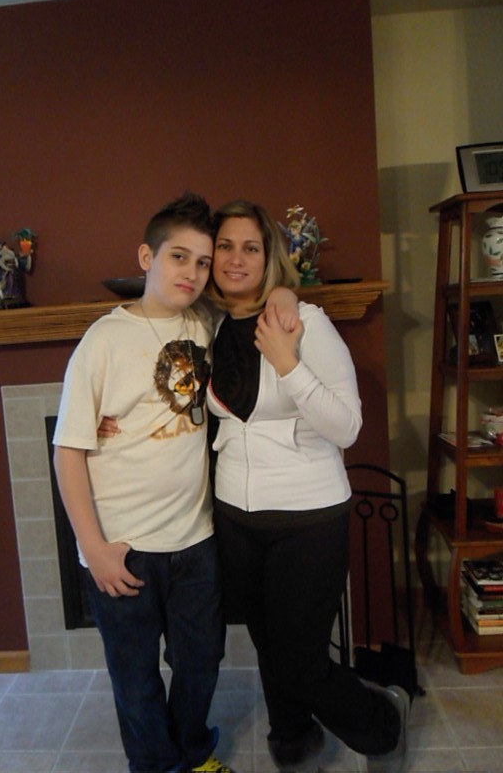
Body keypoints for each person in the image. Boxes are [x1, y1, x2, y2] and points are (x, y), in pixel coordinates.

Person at [206, 199, 410, 773]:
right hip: (236, 515)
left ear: (269, 256)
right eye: (225, 246)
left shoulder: (306, 323)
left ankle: (384, 725)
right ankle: (292, 735)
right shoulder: (209, 325)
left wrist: (288, 362)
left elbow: (347, 426)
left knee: (302, 661)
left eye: (251, 247)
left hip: (308, 518)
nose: (237, 259)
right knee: (270, 645)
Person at [53, 192, 233, 773]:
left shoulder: (206, 324)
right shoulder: (103, 341)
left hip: (196, 540)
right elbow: (68, 451)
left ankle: (191, 751)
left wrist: (281, 295)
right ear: (146, 257)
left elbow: (258, 300)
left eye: (203, 262)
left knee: (202, 660)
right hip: (123, 546)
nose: (192, 272)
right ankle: (156, 766)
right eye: (179, 257)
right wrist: (93, 549)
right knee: (134, 677)